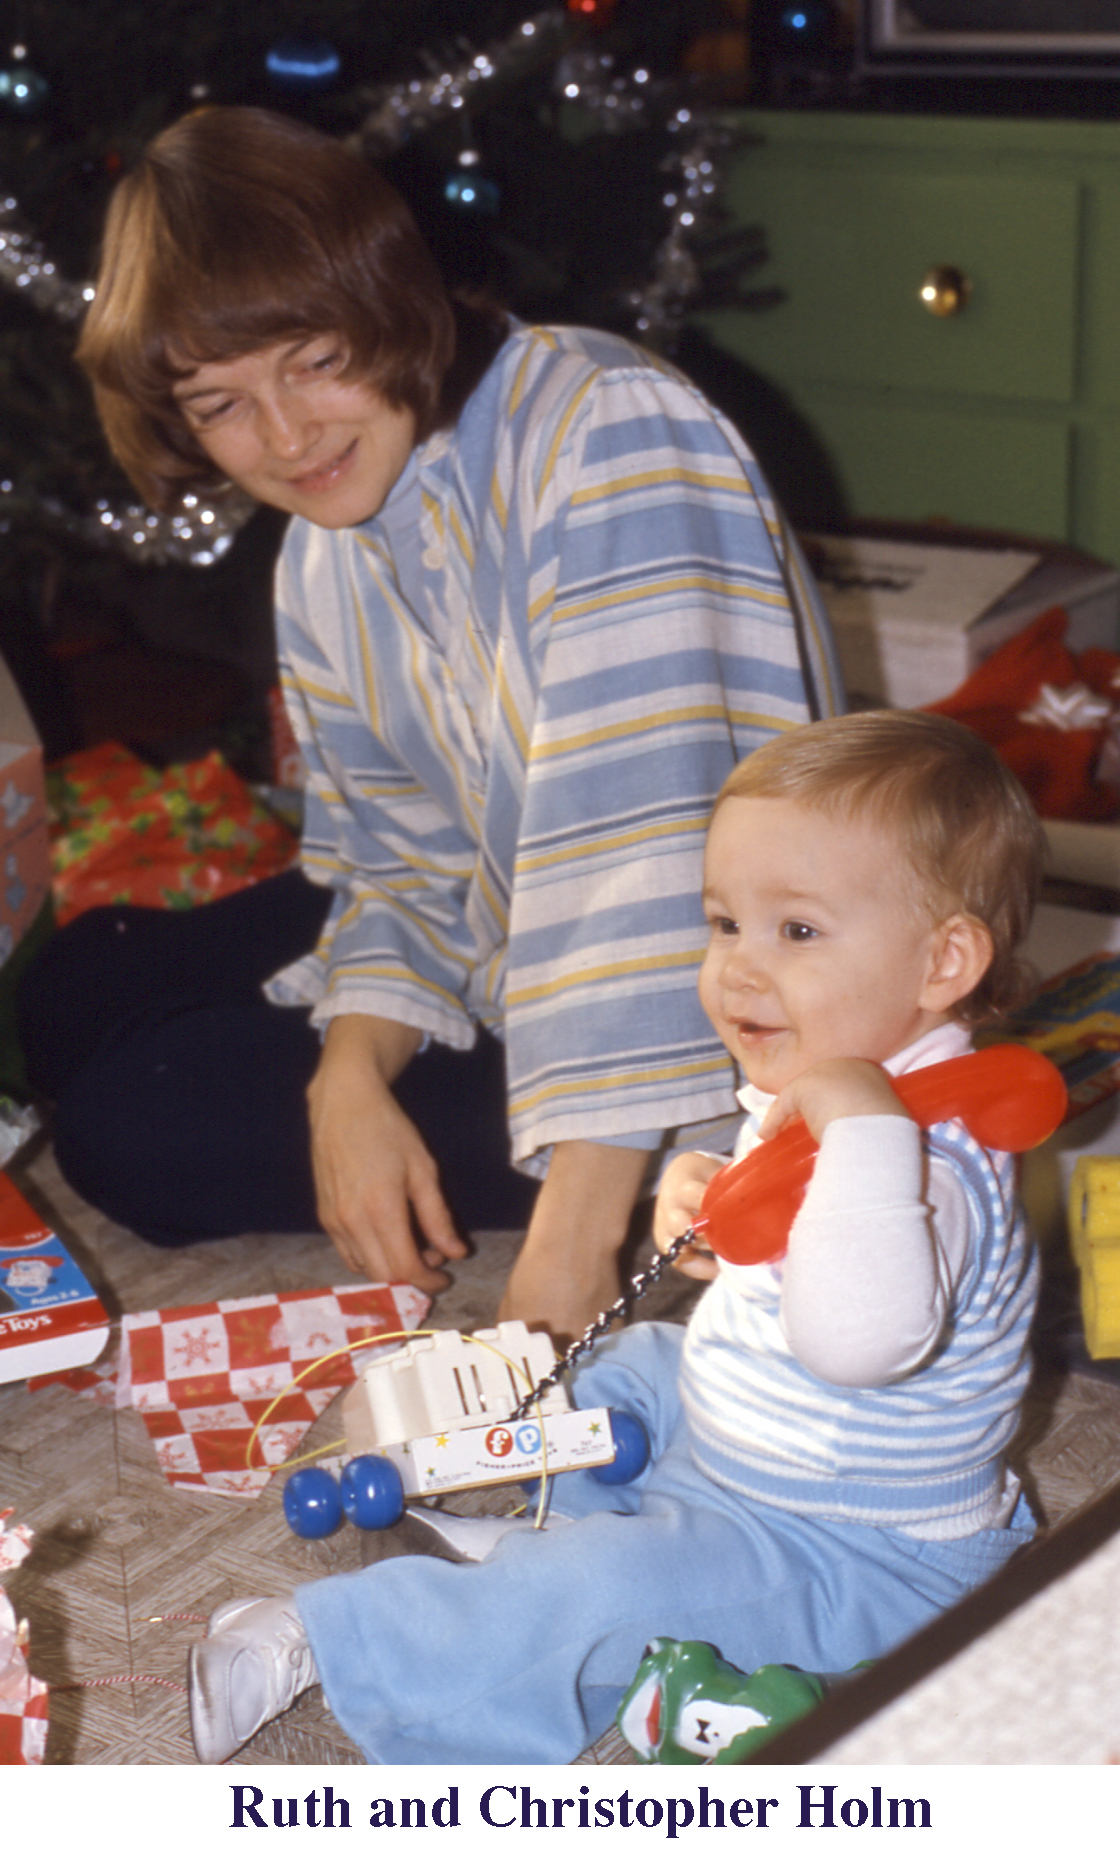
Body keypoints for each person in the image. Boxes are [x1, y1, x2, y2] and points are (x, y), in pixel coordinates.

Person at [17, 105, 842, 1342]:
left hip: (708, 998)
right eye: (222, 404)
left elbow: (642, 862)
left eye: (310, 359)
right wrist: (348, 1081)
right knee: (76, 985)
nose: (287, 438)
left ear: (388, 299)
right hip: (507, 915)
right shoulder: (323, 554)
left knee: (137, 1123)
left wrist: (564, 1268)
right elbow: (396, 861)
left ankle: (631, 1175)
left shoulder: (605, 433)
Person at [188, 710, 1046, 1767]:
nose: (737, 966)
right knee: (629, 1361)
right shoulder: (837, 1071)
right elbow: (786, 1245)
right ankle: (553, 1534)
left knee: (612, 1593)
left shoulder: (920, 1153)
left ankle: (347, 1640)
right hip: (745, 1440)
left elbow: (856, 1342)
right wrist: (709, 1203)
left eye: (798, 931)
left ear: (942, 962)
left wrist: (859, 1128)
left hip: (849, 1549)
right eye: (724, 922)